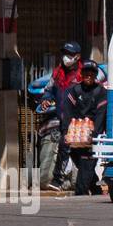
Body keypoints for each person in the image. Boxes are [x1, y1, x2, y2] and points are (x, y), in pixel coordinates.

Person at [64, 61, 108, 196]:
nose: (88, 75)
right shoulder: (75, 90)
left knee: (86, 164)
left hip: (92, 136)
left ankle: (80, 194)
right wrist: (66, 132)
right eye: (86, 73)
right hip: (75, 136)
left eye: (91, 73)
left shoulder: (101, 92)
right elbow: (67, 112)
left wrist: (94, 137)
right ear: (81, 74)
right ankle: (96, 191)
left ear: (95, 75)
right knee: (83, 165)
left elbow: (101, 116)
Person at [46, 42, 84, 191]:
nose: (66, 57)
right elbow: (49, 90)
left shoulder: (83, 74)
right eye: (65, 54)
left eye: (70, 54)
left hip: (79, 120)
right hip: (64, 118)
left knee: (65, 147)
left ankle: (57, 180)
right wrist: (46, 99)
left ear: (77, 57)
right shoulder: (57, 73)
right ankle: (92, 183)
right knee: (74, 152)